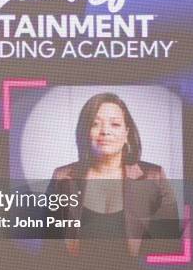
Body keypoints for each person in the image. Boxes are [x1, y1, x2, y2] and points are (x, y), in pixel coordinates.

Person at [48, 93, 179, 256]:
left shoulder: (154, 176)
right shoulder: (62, 177)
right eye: (95, 124)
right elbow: (49, 246)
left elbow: (169, 244)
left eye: (115, 124)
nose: (105, 132)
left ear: (127, 134)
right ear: (85, 132)